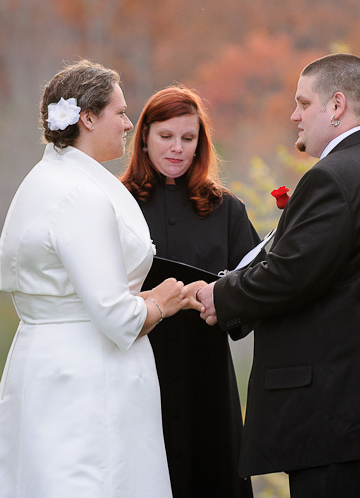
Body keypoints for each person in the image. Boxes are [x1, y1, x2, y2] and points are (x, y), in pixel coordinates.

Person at [198, 53, 360, 498]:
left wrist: (220, 297)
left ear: (336, 106)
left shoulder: (333, 180)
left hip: (347, 428)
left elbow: (289, 274)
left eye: (303, 103)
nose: (294, 115)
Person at [0, 60, 203, 498]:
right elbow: (116, 318)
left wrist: (146, 294)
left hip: (45, 362)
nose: (129, 123)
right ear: (88, 118)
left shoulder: (46, 178)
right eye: (120, 112)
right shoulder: (79, 195)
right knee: (90, 479)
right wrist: (163, 302)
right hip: (87, 376)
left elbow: (75, 292)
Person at [120, 85, 258, 498]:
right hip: (135, 372)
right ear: (144, 136)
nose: (178, 148)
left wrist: (219, 294)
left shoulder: (226, 208)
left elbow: (254, 296)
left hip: (207, 379)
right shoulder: (115, 202)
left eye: (188, 138)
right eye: (166, 136)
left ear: (201, 144)